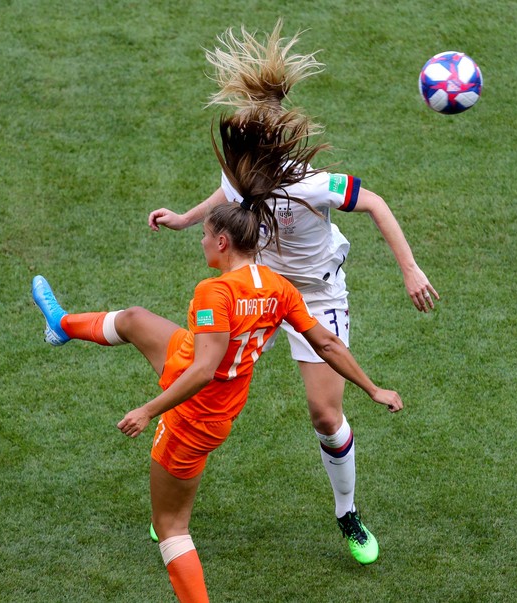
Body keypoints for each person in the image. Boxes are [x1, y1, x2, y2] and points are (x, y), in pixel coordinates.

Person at [31, 110, 403, 603]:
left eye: (205, 235)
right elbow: (326, 344)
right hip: (215, 350)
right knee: (136, 320)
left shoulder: (215, 294)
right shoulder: (276, 289)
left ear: (224, 241)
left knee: (171, 527)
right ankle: (62, 326)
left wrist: (147, 409)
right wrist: (374, 388)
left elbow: (206, 368)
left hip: (199, 400)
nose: (201, 240)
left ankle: (344, 514)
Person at [147, 21, 439, 565]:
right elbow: (226, 195)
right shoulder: (244, 175)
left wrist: (411, 270)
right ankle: (171, 511)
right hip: (258, 290)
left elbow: (374, 202)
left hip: (314, 294)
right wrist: (186, 219)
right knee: (201, 388)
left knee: (325, 416)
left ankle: (347, 513)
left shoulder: (312, 182)